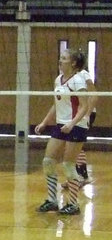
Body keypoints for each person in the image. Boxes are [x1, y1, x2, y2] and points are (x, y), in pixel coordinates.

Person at [35, 48, 90, 215]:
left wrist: (72, 124)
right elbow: (56, 104)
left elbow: (84, 105)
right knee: (48, 161)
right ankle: (52, 200)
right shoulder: (58, 79)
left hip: (77, 125)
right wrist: (45, 122)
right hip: (61, 125)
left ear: (73, 63)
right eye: (60, 58)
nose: (60, 61)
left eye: (64, 58)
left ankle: (73, 204)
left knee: (68, 164)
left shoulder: (78, 80)